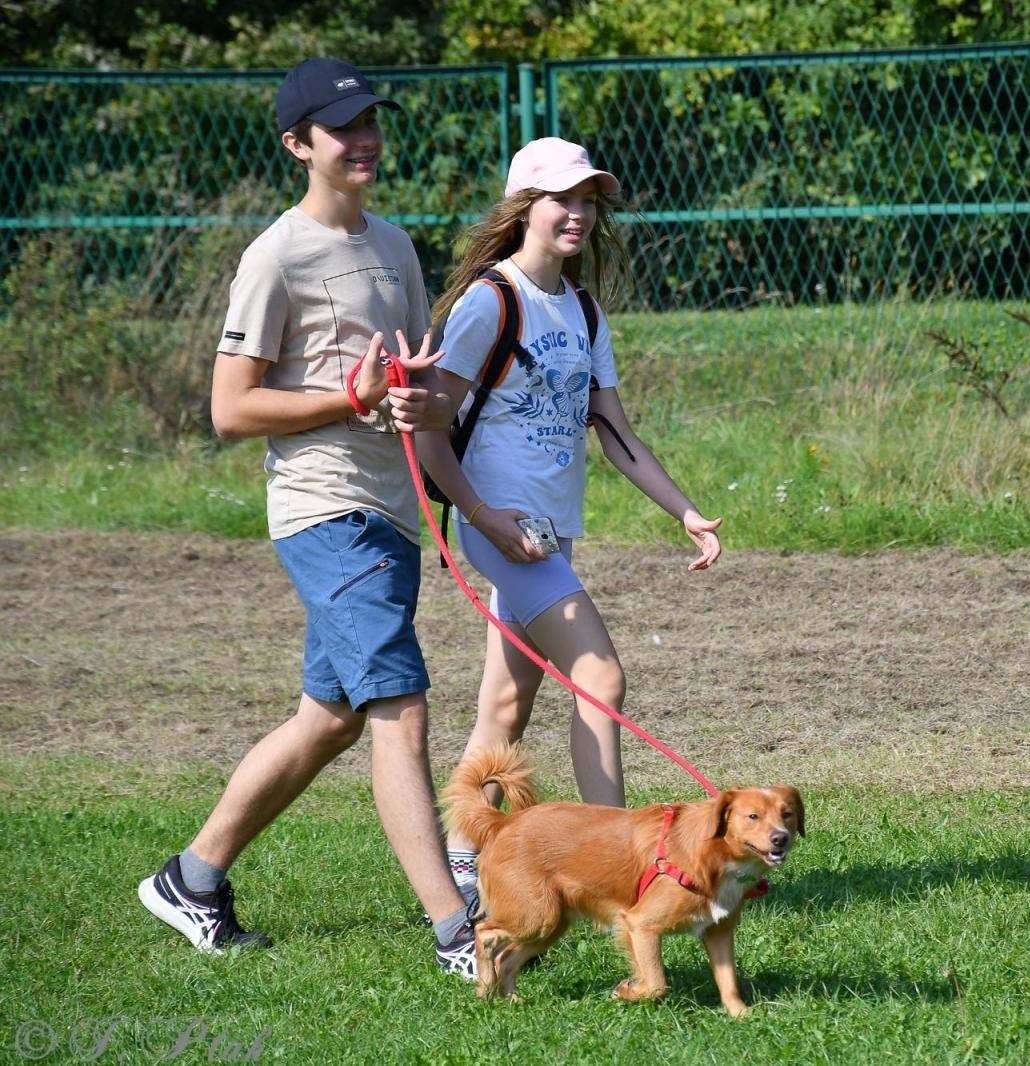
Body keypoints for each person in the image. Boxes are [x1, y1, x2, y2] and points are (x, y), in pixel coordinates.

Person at [137, 57, 479, 979]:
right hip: (326, 512)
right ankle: (458, 931)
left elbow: (418, 378)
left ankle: (192, 879)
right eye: (342, 128)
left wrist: (424, 402)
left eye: (371, 121)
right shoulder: (275, 256)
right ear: (299, 146)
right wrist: (348, 398)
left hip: (391, 512)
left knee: (329, 719)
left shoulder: (398, 246)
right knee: (399, 711)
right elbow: (230, 411)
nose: (364, 138)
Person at [416, 137, 723, 894]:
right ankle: (623, 869)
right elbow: (427, 432)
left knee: (506, 705)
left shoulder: (582, 309)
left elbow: (614, 430)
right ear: (525, 207)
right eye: (564, 199)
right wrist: (482, 517)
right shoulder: (493, 300)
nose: (579, 214)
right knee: (600, 673)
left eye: (589, 201)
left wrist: (687, 512)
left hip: (548, 534)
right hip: (505, 534)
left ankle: (464, 859)